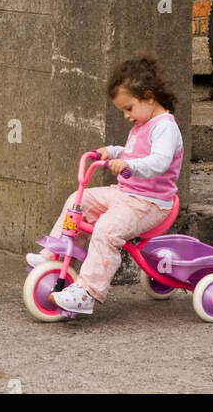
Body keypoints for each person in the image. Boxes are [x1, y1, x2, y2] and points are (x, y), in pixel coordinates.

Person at [29, 56, 183, 316]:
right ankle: (55, 252)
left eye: (128, 108)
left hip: (150, 203)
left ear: (148, 97)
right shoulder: (143, 122)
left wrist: (128, 166)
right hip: (125, 194)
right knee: (78, 202)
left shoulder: (165, 127)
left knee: (106, 229)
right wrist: (111, 152)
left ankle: (89, 291)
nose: (126, 116)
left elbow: (159, 161)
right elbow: (133, 152)